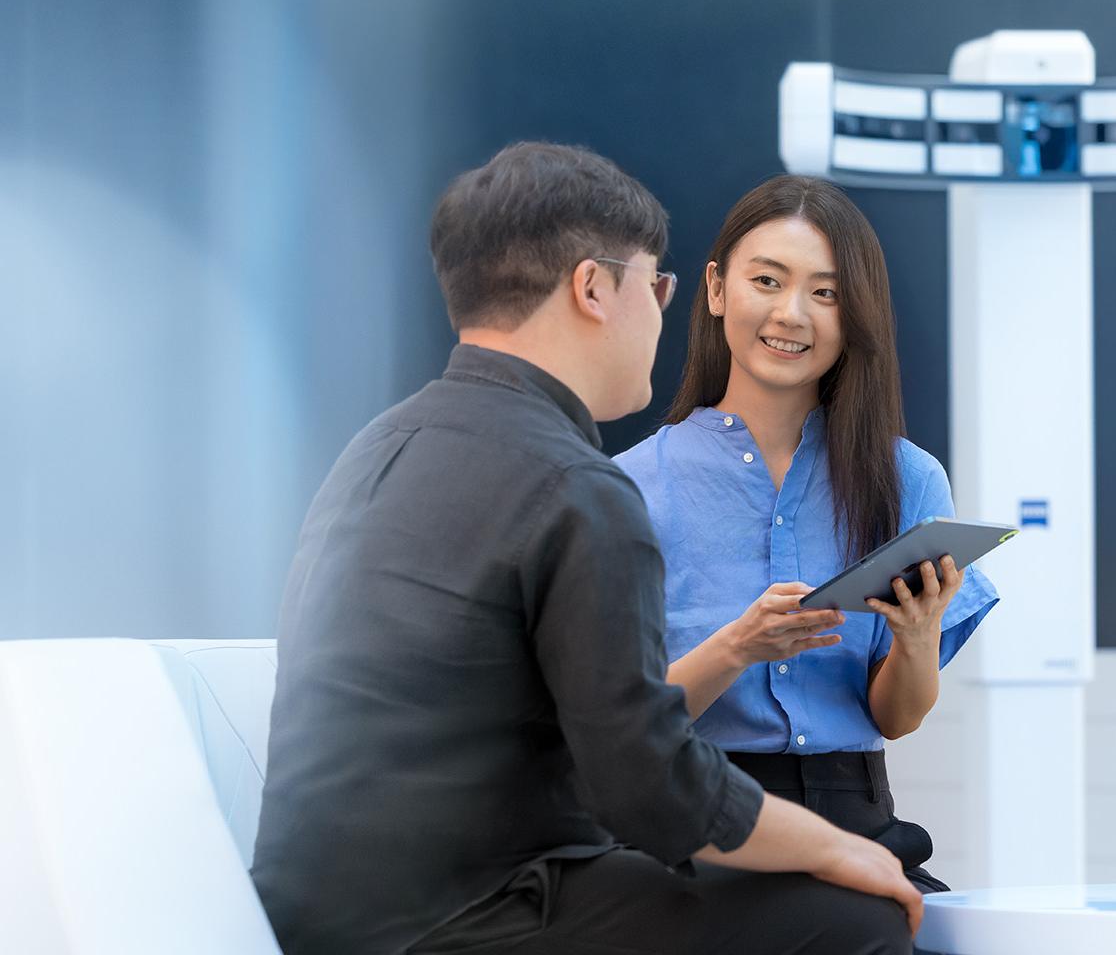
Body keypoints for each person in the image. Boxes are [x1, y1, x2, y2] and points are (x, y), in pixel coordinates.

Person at [250, 143, 920, 955]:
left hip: (318, 914)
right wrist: (842, 848)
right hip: (474, 912)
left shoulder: (380, 444)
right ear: (595, 288)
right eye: (655, 282)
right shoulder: (576, 485)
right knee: (857, 919)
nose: (660, 310)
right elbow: (649, 785)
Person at [615, 175, 999, 893]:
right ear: (718, 287)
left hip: (858, 816)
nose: (792, 314)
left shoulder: (907, 478)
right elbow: (626, 727)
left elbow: (897, 718)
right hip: (698, 825)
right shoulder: (629, 486)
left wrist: (916, 636)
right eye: (768, 280)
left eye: (825, 293)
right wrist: (739, 646)